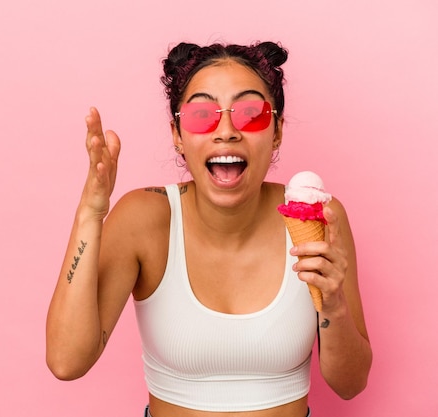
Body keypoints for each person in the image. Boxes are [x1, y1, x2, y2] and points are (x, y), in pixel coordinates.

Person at [46, 41, 372, 417]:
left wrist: (333, 304)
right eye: (202, 114)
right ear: (178, 135)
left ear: (277, 130)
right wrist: (91, 210)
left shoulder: (319, 217)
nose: (228, 130)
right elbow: (66, 362)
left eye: (251, 113)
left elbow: (351, 385)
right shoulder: (145, 218)